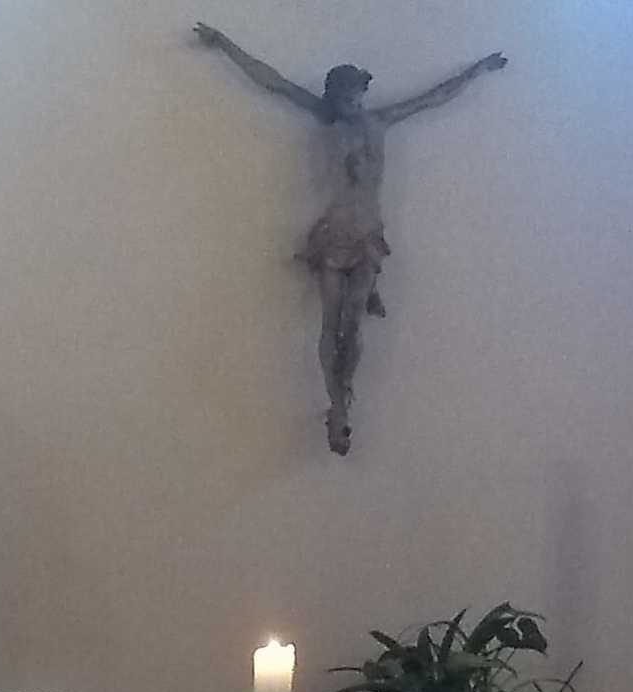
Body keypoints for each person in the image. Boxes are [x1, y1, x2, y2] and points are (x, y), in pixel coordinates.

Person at [194, 23, 507, 454]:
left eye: (354, 96)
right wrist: (225, 45)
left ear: (361, 93)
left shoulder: (380, 121)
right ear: (333, 99)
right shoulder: (325, 119)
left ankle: (345, 396)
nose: (349, 105)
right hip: (334, 234)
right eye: (342, 99)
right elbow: (272, 81)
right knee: (330, 323)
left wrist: (478, 70)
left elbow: (434, 97)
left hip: (366, 235)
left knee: (353, 321)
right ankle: (337, 406)